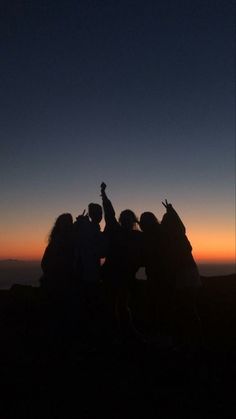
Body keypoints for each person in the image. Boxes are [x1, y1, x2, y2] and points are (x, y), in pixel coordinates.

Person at [100, 182, 144, 342]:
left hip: (124, 275)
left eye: (128, 218)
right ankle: (118, 333)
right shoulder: (118, 230)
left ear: (133, 220)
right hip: (112, 273)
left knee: (122, 304)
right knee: (113, 304)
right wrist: (103, 195)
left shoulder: (138, 236)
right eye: (124, 218)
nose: (125, 220)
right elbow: (109, 213)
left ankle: (124, 332)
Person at [161, 200, 202, 346]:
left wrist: (171, 212)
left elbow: (179, 226)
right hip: (190, 273)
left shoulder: (166, 238)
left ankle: (186, 338)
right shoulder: (181, 237)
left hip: (180, 275)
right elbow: (180, 226)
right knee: (190, 306)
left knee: (182, 307)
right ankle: (195, 337)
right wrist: (171, 212)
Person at [139, 211, 173, 341]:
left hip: (159, 274)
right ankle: (164, 333)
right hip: (162, 274)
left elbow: (147, 255)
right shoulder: (160, 231)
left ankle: (161, 334)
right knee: (162, 304)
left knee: (158, 304)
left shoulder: (150, 235)